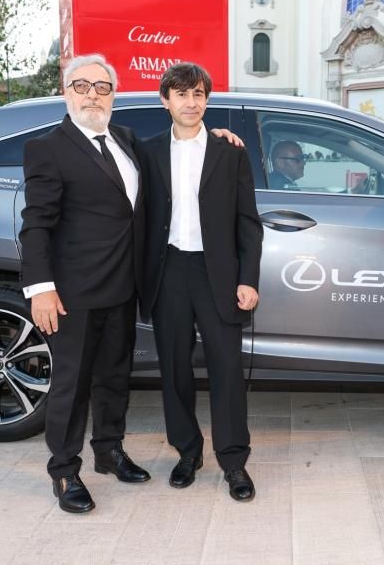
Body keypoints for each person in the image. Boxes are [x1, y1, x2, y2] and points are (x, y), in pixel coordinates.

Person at [19, 54, 242, 514]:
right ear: (66, 92)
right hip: (73, 294)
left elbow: (182, 150)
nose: (93, 95)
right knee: (71, 385)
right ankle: (64, 471)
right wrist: (40, 287)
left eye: (102, 87)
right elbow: (36, 222)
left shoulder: (126, 140)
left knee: (114, 378)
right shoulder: (48, 148)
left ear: (113, 95)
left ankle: (108, 451)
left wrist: (216, 135)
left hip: (125, 287)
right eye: (82, 86)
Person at [140, 62, 264, 503]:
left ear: (207, 100)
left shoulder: (230, 152)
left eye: (198, 94)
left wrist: (247, 279)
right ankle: (187, 453)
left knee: (226, 370)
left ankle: (234, 461)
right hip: (168, 271)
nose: (190, 102)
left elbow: (248, 222)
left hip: (219, 275)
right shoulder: (148, 152)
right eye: (181, 94)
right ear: (165, 101)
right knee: (174, 370)